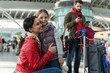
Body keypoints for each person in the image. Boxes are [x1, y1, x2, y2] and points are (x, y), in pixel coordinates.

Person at [64, 1, 85, 73]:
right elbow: (66, 26)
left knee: (78, 57)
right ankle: (68, 71)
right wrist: (75, 21)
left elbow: (83, 27)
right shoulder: (69, 15)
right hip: (72, 38)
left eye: (80, 6)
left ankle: (76, 71)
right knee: (70, 57)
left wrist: (86, 25)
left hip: (80, 39)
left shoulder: (82, 16)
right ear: (74, 5)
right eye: (78, 6)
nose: (79, 8)